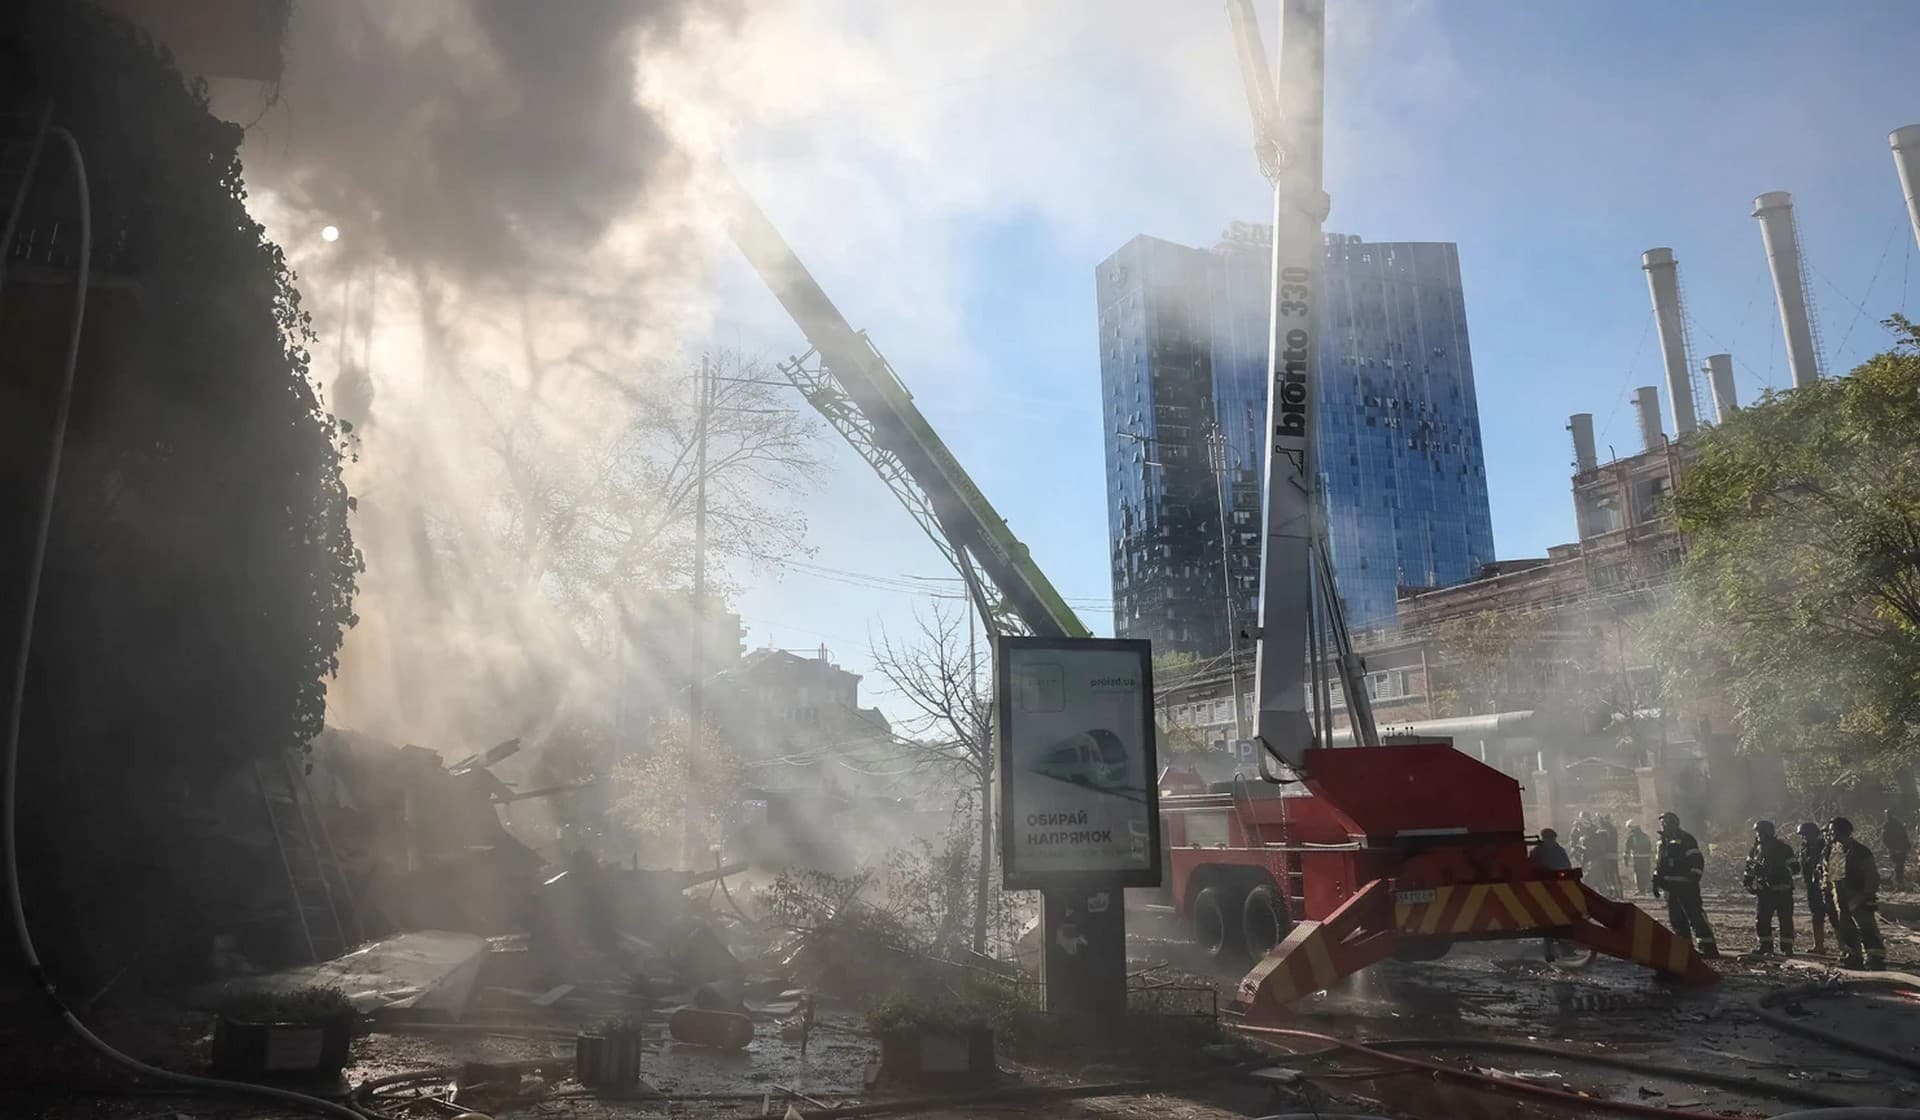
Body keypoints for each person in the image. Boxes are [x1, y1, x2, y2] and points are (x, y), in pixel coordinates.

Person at [1654, 811, 1719, 958]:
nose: (1663, 825)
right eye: (1662, 823)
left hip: (1686, 887)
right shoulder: (1661, 842)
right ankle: (1685, 948)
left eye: (1666, 822)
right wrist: (1656, 880)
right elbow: (1659, 863)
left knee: (1695, 916)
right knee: (1676, 919)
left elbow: (1696, 861)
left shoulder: (1686, 839)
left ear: (1674, 823)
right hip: (1670, 888)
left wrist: (1692, 878)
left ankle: (1708, 948)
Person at [1825, 817, 1885, 970]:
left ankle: (1875, 958)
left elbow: (1871, 875)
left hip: (1859, 895)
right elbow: (1832, 875)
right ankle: (1853, 955)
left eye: (1832, 831)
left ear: (1839, 831)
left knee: (1866, 927)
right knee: (1846, 927)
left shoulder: (1860, 851)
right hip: (1840, 896)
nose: (1830, 835)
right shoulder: (1834, 850)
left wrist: (1865, 895)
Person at [1742, 820, 1800, 956]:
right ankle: (1765, 946)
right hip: (1764, 890)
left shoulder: (1783, 848)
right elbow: (1749, 867)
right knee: (1762, 919)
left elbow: (1795, 868)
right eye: (1757, 832)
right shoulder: (1755, 849)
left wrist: (1777, 871)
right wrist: (1748, 881)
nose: (1758, 835)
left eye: (1760, 832)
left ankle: (1787, 948)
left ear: (1768, 833)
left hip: (1782, 890)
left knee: (1785, 919)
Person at [1531, 827, 1573, 961]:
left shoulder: (1537, 851)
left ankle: (1553, 950)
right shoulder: (1558, 850)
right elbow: (1567, 868)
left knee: (1549, 921)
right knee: (1557, 920)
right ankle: (1560, 949)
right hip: (1556, 891)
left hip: (1547, 891)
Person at [1798, 821, 1837, 955]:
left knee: (1834, 916)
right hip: (1812, 887)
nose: (1804, 838)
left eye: (1806, 835)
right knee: (1816, 915)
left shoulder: (1824, 847)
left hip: (1826, 887)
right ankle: (1818, 946)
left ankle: (1845, 947)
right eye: (1803, 835)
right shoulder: (1805, 848)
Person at [1592, 815, 1620, 895]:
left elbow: (1603, 843)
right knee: (1612, 874)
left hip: (1607, 855)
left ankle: (1614, 892)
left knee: (1609, 874)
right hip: (1612, 854)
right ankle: (1617, 893)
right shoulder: (1611, 828)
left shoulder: (1604, 830)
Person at [1883, 810, 1910, 892]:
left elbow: (1885, 838)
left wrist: (1890, 847)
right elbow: (1905, 836)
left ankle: (1898, 884)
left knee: (1897, 866)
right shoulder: (1898, 824)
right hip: (1900, 849)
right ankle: (1899, 883)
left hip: (1895, 848)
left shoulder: (1888, 825)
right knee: (1899, 866)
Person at [1624, 820, 1653, 896]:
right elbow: (1650, 848)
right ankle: (1648, 889)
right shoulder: (1645, 836)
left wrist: (1626, 859)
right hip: (1646, 858)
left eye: (1630, 827)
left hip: (1637, 858)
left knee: (1638, 874)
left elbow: (1627, 848)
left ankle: (1641, 890)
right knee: (1646, 874)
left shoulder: (1632, 837)